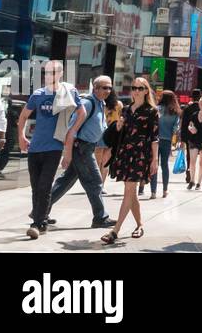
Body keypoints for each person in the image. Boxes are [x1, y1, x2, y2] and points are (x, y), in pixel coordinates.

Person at [18, 61, 83, 239]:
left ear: (61, 73)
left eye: (53, 72)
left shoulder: (69, 92)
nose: (49, 75)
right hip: (35, 148)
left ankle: (37, 223)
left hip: (54, 147)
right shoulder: (38, 94)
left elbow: (81, 112)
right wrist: (22, 137)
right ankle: (43, 219)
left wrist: (71, 132)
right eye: (46, 72)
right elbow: (23, 116)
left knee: (45, 186)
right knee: (35, 187)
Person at [47, 75, 116, 229]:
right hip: (82, 148)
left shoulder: (99, 103)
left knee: (65, 181)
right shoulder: (88, 103)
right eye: (105, 87)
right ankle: (100, 217)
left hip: (86, 147)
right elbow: (72, 129)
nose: (108, 90)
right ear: (96, 88)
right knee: (95, 181)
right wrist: (68, 152)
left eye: (110, 87)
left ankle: (40, 210)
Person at [101, 77, 159, 244]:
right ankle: (140, 224)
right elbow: (120, 132)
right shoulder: (126, 109)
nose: (136, 91)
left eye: (140, 88)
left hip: (141, 154)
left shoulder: (152, 111)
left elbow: (154, 138)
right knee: (131, 191)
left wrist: (154, 160)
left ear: (146, 91)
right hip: (125, 152)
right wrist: (119, 126)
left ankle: (115, 230)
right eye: (134, 88)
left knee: (129, 189)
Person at [148, 91, 181, 199]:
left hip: (155, 140)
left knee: (154, 164)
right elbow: (176, 129)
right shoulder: (175, 112)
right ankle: (165, 190)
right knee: (164, 165)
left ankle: (153, 192)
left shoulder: (156, 109)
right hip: (167, 140)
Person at [182, 95, 202, 190]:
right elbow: (190, 125)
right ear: (199, 104)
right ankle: (192, 180)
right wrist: (191, 129)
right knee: (192, 161)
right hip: (194, 140)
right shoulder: (194, 115)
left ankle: (199, 182)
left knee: (201, 163)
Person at [95, 92, 123, 191]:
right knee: (106, 162)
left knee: (97, 162)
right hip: (112, 134)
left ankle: (97, 185)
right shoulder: (118, 104)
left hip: (100, 133)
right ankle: (101, 185)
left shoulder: (99, 103)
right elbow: (120, 120)